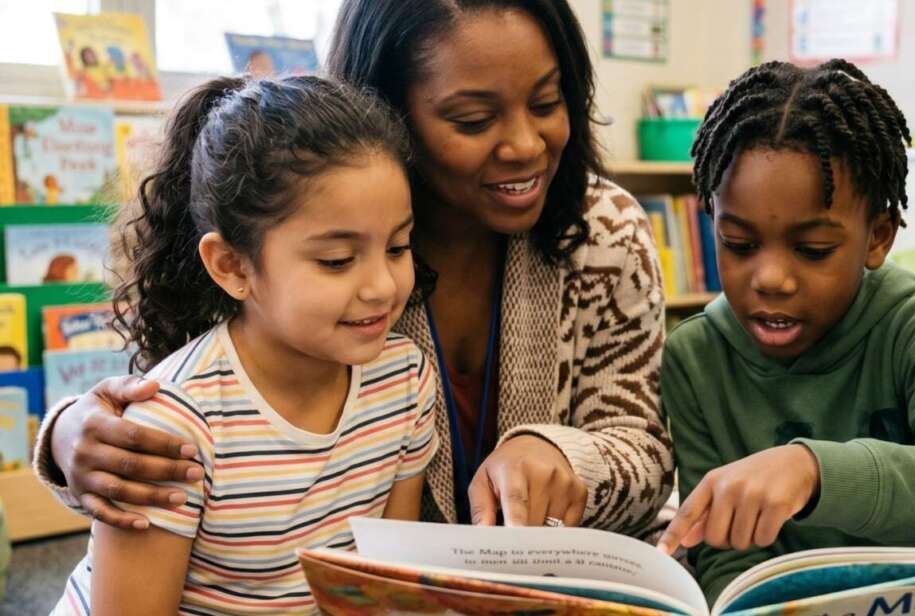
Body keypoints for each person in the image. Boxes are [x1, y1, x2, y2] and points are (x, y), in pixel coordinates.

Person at [34, 0, 671, 537]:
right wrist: (69, 438)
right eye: (472, 119)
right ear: (387, 110)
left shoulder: (604, 230)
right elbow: (177, 431)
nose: (525, 145)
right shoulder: (295, 231)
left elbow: (647, 447)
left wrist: (565, 455)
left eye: (546, 102)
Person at [50, 75, 436, 615]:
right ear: (232, 267)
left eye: (397, 246)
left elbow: (385, 587)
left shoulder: (405, 380)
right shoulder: (175, 425)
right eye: (337, 261)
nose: (382, 286)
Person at [656, 59, 915, 603]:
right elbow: (725, 554)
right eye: (738, 243)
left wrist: (814, 470)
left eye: (813, 251)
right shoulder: (694, 358)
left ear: (877, 237)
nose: (771, 279)